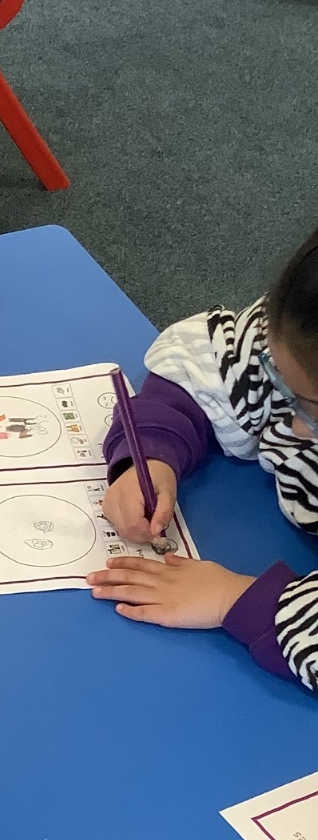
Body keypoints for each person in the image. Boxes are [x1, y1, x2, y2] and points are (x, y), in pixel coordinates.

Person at [88, 228, 318, 690]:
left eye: (311, 409)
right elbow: (211, 365)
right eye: (284, 386)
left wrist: (237, 599)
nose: (292, 426)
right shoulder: (299, 334)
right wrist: (151, 454)